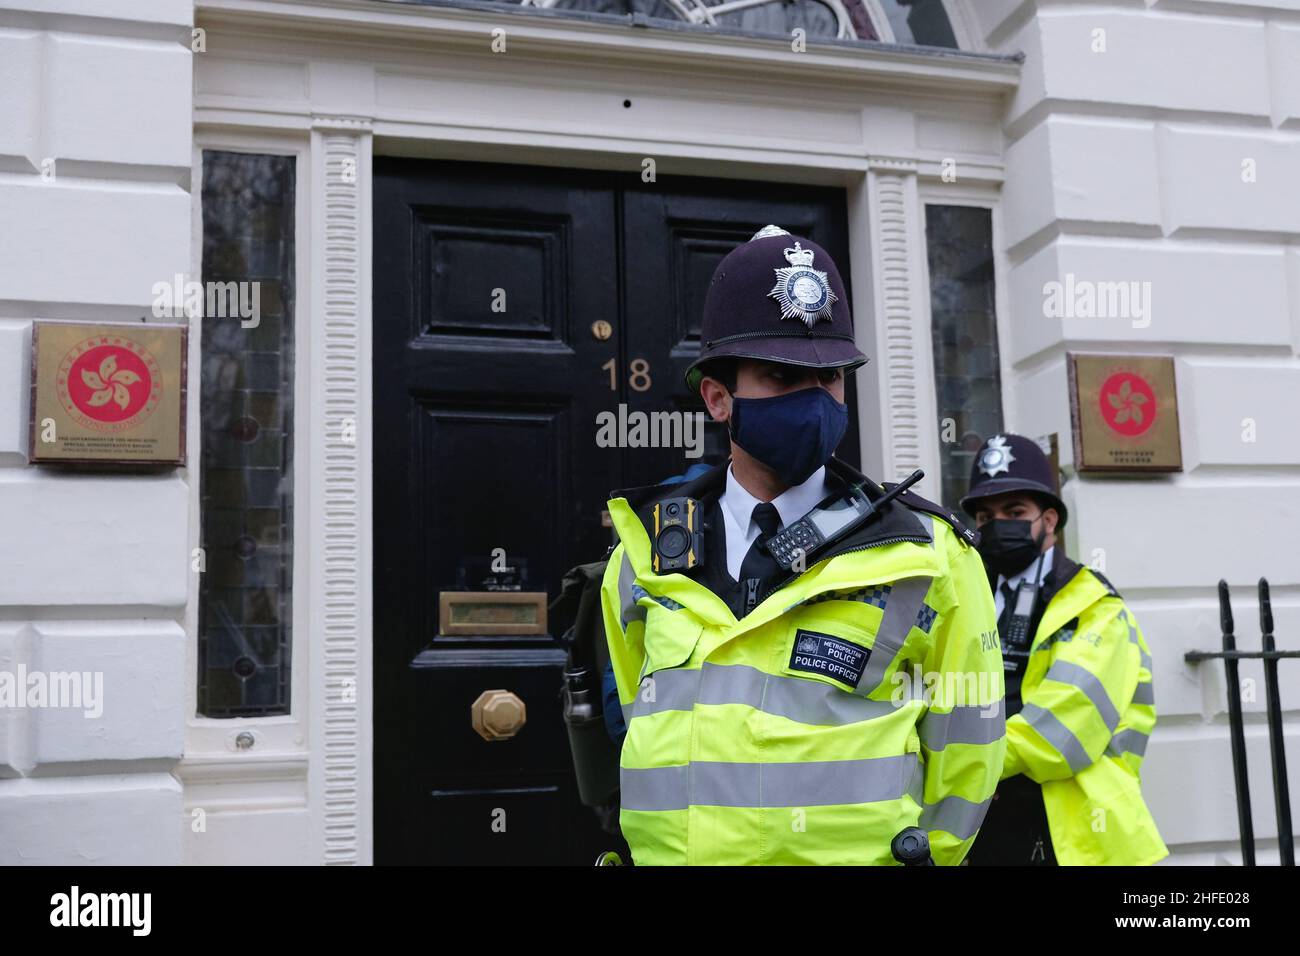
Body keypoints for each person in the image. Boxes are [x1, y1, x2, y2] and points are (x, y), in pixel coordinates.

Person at [598, 225, 1005, 865]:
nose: (815, 400)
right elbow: (634, 714)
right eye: (782, 376)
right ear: (717, 398)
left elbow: (967, 753)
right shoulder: (643, 554)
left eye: (830, 377)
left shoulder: (931, 556)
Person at [959, 433, 1167, 865]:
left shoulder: (1094, 605)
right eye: (985, 516)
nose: (997, 525)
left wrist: (966, 761)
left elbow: (1065, 723)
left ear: (1050, 520)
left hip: (1074, 833)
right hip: (979, 825)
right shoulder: (966, 596)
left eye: (1015, 512)